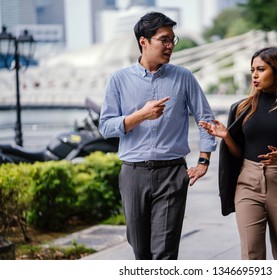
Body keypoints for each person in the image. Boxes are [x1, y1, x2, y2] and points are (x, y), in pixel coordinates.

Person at [99, 12, 217, 260]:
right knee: (140, 250)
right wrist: (141, 115)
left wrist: (204, 160)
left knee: (165, 251)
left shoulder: (183, 77)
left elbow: (205, 118)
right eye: (164, 39)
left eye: (173, 40)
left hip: (172, 173)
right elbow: (106, 127)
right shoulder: (118, 80)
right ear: (144, 41)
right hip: (133, 173)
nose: (170, 46)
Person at [199, 46, 277, 260]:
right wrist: (226, 136)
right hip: (248, 184)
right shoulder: (241, 108)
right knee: (251, 255)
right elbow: (238, 154)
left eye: (261, 69)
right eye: (252, 70)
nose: (255, 75)